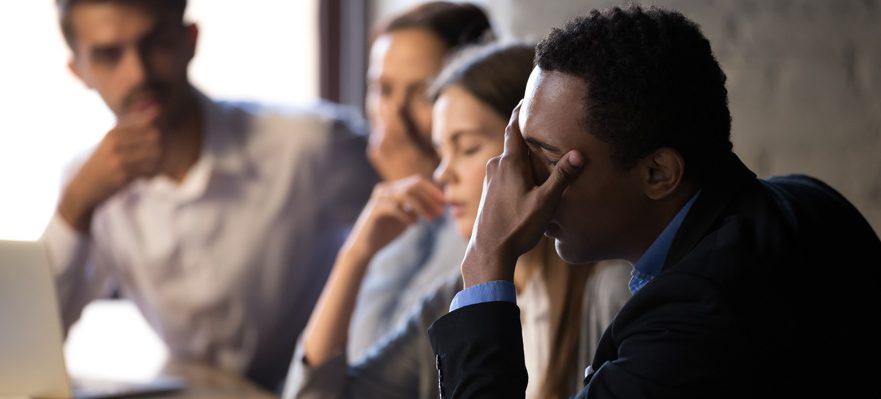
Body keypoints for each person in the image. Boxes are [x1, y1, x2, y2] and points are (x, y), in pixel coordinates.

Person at [427, 6, 881, 399]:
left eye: (548, 161)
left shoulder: (695, 326)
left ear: (658, 174)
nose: (521, 184)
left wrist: (486, 261)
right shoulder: (805, 197)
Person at [42, 0, 375, 389]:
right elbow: (27, 341)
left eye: (156, 43)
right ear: (78, 70)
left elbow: (418, 242)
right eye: (109, 55)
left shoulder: (309, 146)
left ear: (190, 40)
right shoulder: (88, 183)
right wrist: (74, 207)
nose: (138, 73)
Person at [283, 43, 631, 399]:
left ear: (534, 153)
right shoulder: (452, 300)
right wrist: (355, 255)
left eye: (466, 148)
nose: (442, 174)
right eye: (440, 153)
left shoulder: (611, 293)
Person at [301, 1, 492, 365]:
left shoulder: (473, 230)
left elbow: (366, 358)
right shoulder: (364, 186)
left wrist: (412, 206)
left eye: (422, 93)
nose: (393, 117)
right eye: (383, 89)